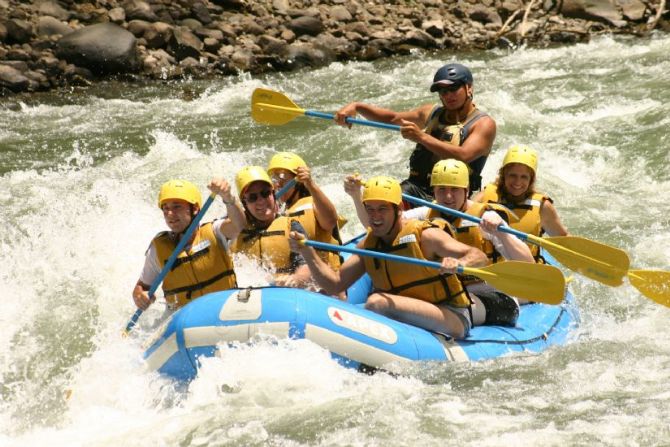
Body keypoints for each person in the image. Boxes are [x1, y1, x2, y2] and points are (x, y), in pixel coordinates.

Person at [289, 176, 489, 339]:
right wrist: (307, 252)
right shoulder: (369, 244)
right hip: (406, 312)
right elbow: (335, 284)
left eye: (383, 209)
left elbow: (478, 256)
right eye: (370, 209)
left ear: (399, 210)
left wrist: (460, 263)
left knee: (377, 303)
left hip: (450, 315)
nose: (375, 217)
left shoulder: (425, 236)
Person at [345, 160, 527, 324]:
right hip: (448, 294)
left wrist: (502, 233)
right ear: (433, 191)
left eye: (454, 189)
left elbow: (527, 264)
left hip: (492, 296)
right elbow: (378, 226)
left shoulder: (485, 219)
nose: (447, 197)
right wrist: (356, 196)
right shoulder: (425, 215)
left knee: (453, 306)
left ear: (466, 191)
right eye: (442, 190)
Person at [335, 63, 496, 206]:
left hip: (453, 196)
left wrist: (421, 136)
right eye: (443, 91)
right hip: (415, 187)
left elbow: (463, 155)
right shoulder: (432, 113)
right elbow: (392, 118)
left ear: (469, 88)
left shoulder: (483, 124)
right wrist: (357, 106)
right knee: (383, 204)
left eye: (453, 89)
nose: (448, 96)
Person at [132, 178, 245, 311]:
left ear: (195, 209)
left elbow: (239, 225)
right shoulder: (158, 248)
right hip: (184, 321)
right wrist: (140, 296)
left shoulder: (215, 231)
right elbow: (141, 288)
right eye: (166, 208)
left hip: (225, 310)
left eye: (176, 207)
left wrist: (228, 198)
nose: (169, 213)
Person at [472, 145, 568, 263]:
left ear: (531, 180)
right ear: (503, 175)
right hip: (490, 268)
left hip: (525, 270)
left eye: (524, 177)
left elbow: (563, 240)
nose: (518, 182)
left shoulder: (543, 207)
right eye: (513, 175)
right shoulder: (485, 196)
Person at [231, 165, 315, 289]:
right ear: (245, 203)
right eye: (253, 197)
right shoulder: (234, 232)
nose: (260, 201)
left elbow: (307, 265)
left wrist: (296, 278)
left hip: (284, 294)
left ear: (273, 194)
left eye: (265, 193)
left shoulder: (292, 226)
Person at [267, 151, 342, 270]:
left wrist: (310, 184)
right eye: (274, 179)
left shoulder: (314, 203)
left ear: (298, 182)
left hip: (323, 274)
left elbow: (330, 221)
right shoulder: (272, 212)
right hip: (290, 276)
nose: (278, 184)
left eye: (282, 178)